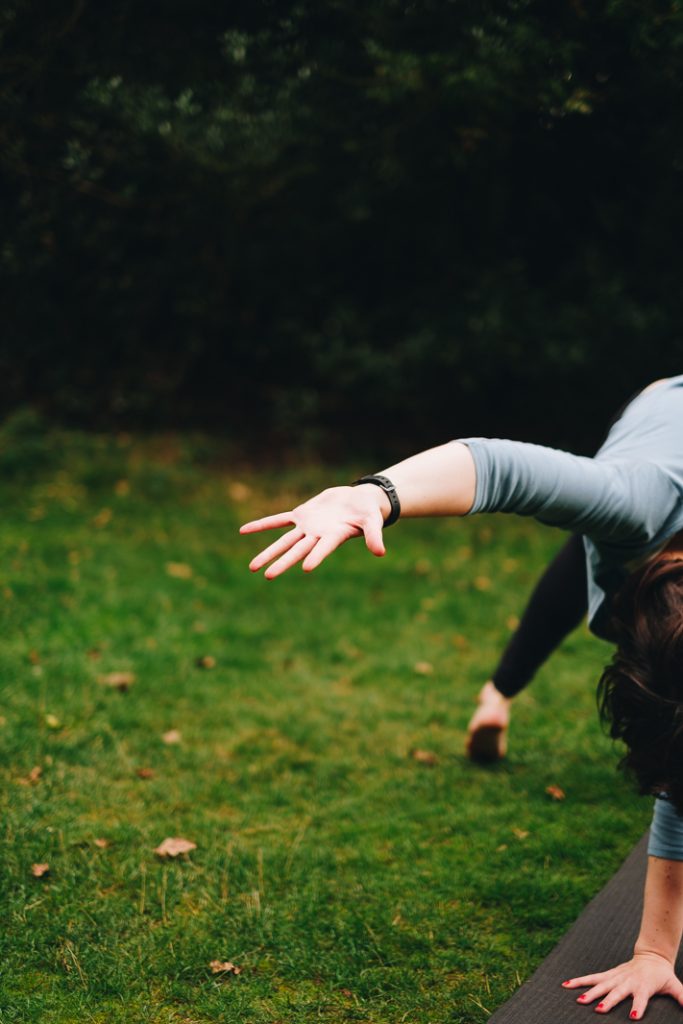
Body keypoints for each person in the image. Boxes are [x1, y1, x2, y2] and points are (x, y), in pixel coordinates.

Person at [240, 375, 683, 1020]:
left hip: (638, 540)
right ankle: (498, 690)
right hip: (666, 419)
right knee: (601, 527)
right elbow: (497, 465)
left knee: (594, 537)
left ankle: (496, 692)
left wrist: (652, 952)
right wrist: (373, 496)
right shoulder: (635, 503)